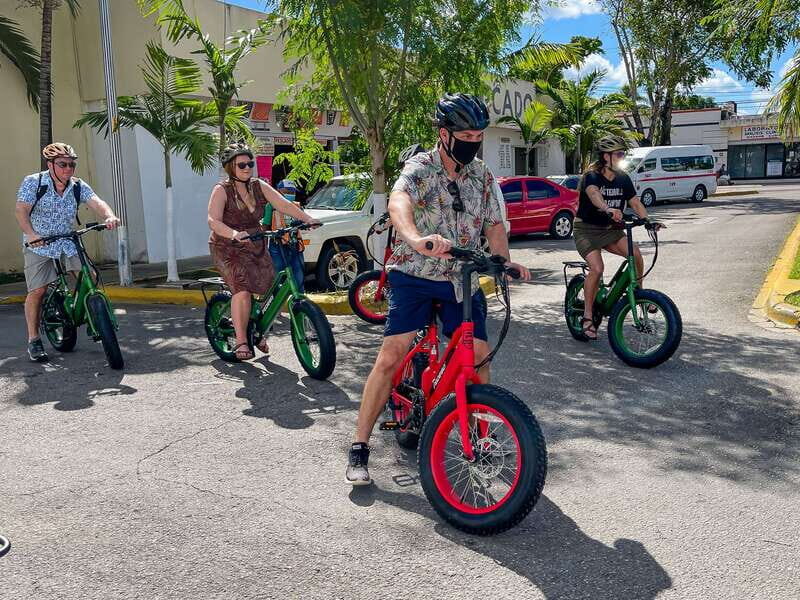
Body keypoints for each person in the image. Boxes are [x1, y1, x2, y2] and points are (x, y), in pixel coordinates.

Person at [345, 93, 531, 485]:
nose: (473, 140)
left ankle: (480, 436)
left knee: (477, 355)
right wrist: (414, 238)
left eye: (478, 134)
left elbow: (494, 225)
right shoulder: (421, 167)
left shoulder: (481, 175)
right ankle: (359, 446)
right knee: (392, 354)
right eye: (465, 133)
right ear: (444, 134)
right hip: (414, 273)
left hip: (460, 278)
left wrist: (503, 260)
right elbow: (399, 202)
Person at [207, 143, 319, 360]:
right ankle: (241, 340)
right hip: (227, 245)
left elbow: (283, 204)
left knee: (270, 286)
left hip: (255, 241)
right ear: (231, 167)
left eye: (250, 163)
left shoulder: (258, 186)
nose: (248, 168)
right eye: (242, 165)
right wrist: (233, 234)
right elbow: (213, 220)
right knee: (243, 288)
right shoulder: (222, 190)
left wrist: (307, 219)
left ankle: (257, 330)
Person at [15, 142, 121, 362]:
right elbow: (21, 211)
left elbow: (97, 203)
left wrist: (109, 216)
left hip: (67, 239)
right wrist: (32, 234)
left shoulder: (78, 186)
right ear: (50, 164)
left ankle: (92, 316)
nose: (68, 169)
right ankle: (34, 340)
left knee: (89, 277)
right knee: (38, 290)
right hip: (40, 242)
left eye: (72, 164)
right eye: (63, 164)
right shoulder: (34, 182)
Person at [572, 135, 662, 341]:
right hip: (586, 229)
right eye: (618, 154)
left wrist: (648, 220)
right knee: (597, 268)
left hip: (611, 229)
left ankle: (640, 294)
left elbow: (635, 202)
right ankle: (587, 316)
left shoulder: (623, 177)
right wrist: (607, 208)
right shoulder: (591, 176)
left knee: (636, 254)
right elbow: (595, 195)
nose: (622, 158)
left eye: (623, 154)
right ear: (606, 156)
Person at [263, 179, 306, 291]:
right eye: (287, 191)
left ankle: (300, 302)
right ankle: (275, 303)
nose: (291, 194)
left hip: (295, 244)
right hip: (277, 246)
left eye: (292, 192)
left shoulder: (297, 206)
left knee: (298, 275)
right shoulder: (271, 206)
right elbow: (265, 226)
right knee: (279, 275)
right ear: (278, 191)